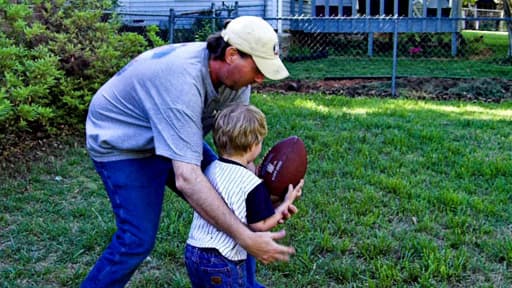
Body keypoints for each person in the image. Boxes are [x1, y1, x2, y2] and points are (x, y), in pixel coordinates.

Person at [82, 16, 300, 287]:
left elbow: (237, 156)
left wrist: (264, 201)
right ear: (232, 55)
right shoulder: (182, 82)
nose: (260, 78)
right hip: (123, 141)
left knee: (235, 206)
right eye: (258, 68)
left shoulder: (236, 83)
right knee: (136, 240)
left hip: (172, 131)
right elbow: (187, 178)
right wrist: (247, 239)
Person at [184, 104, 303, 288]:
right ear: (253, 145)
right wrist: (285, 204)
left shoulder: (209, 169)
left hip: (194, 253)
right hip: (222, 260)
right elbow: (259, 225)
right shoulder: (252, 184)